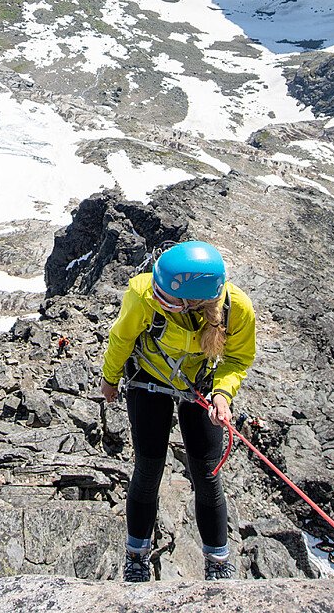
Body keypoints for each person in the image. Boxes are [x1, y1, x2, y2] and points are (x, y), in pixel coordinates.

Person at [99, 240, 257, 582]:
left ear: (192, 303)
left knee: (207, 474)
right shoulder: (143, 293)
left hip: (200, 388)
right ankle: (137, 555)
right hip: (148, 379)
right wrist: (110, 378)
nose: (155, 295)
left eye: (165, 295)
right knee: (148, 467)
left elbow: (237, 359)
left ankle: (217, 562)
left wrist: (223, 396)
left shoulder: (237, 309)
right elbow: (121, 338)